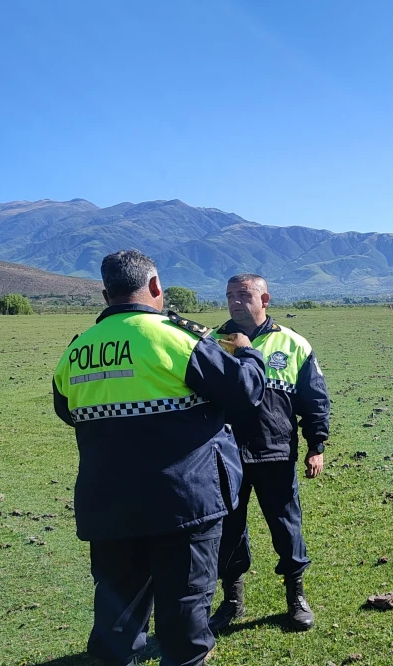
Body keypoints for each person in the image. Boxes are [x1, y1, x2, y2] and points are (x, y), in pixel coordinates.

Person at [52, 250, 265, 666]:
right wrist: (247, 352)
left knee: (118, 622)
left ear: (105, 293)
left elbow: (67, 411)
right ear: (154, 287)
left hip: (108, 508)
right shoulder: (173, 337)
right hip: (183, 505)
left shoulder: (75, 351)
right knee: (185, 622)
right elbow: (246, 393)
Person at [210, 274, 331, 633]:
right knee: (227, 531)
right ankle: (232, 600)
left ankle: (296, 598)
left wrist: (316, 445)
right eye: (230, 295)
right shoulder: (213, 343)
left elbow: (315, 399)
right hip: (224, 455)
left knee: (286, 527)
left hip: (275, 452)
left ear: (265, 300)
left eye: (244, 295)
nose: (235, 301)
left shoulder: (292, 344)